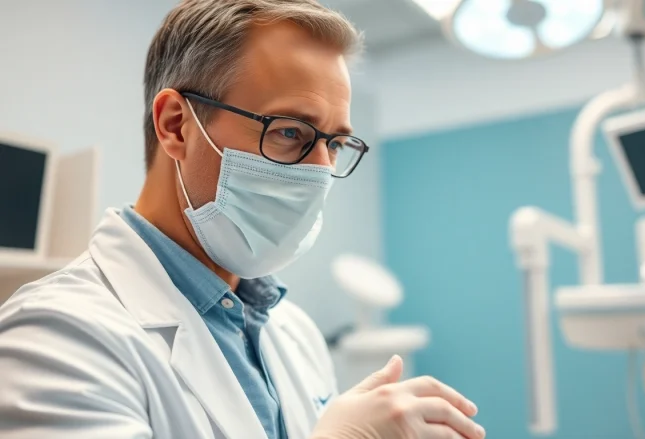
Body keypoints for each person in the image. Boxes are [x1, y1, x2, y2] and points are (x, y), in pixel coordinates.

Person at [0, 1, 486, 438]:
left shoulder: (293, 332)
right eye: (291, 131)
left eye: (335, 144)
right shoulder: (55, 337)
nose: (321, 172)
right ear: (176, 125)